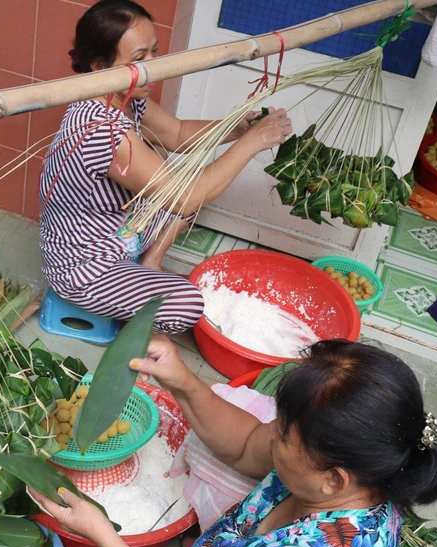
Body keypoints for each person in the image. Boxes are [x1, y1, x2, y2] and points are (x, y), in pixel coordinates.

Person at [10, 337, 437, 547]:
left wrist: (104, 535)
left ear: (333, 479)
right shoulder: (345, 474)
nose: (272, 435)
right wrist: (183, 382)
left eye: (283, 433)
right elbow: (244, 444)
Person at [39, 0, 293, 335]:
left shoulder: (126, 97)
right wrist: (253, 142)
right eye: (139, 58)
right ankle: (122, 292)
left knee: (192, 183)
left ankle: (151, 261)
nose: (154, 67)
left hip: (121, 229)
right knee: (187, 302)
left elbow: (178, 133)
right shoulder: (100, 130)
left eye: (155, 52)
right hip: (85, 266)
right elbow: (184, 199)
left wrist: (236, 129)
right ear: (100, 65)